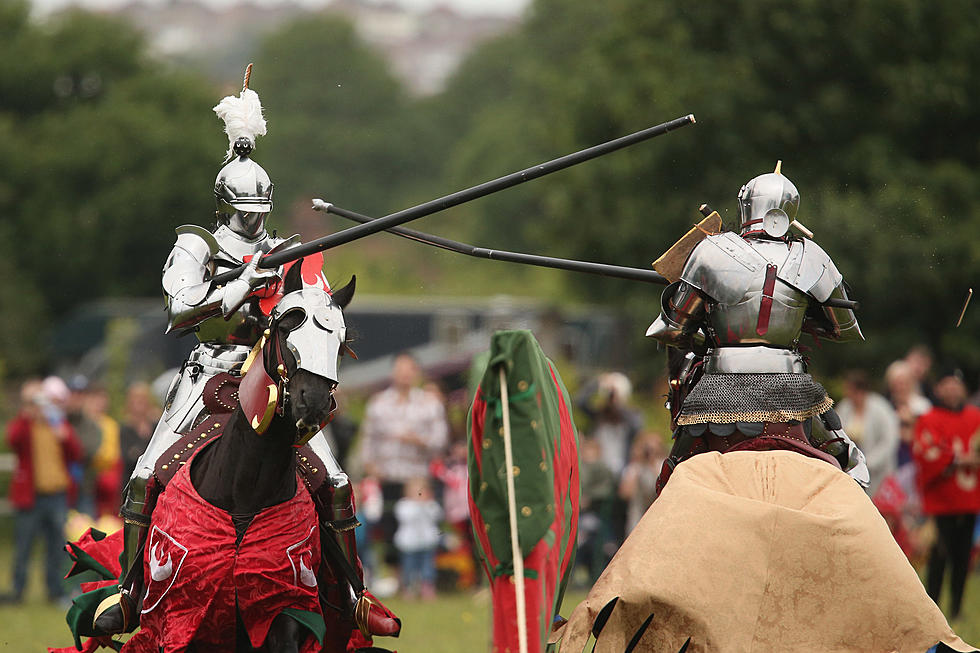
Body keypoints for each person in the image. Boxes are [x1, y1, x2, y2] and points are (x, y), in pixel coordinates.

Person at [99, 79, 396, 639]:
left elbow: (316, 310)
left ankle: (354, 594)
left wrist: (301, 287)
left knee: (332, 478)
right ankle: (129, 592)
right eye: (245, 211)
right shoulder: (197, 246)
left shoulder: (287, 251)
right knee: (147, 473)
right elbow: (180, 310)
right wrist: (236, 289)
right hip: (211, 368)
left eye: (262, 210)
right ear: (224, 205)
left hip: (270, 372)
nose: (255, 222)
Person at [646, 163, 868, 493]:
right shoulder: (813, 257)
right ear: (790, 212)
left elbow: (672, 330)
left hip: (719, 385)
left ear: (746, 205)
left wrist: (709, 317)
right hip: (790, 385)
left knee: (674, 477)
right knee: (849, 463)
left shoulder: (711, 250)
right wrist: (799, 314)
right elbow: (845, 330)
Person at [359, 352, 449, 566]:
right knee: (388, 527)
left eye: (408, 370)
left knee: (420, 527)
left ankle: (423, 575)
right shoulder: (378, 403)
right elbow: (368, 438)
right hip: (387, 475)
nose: (403, 375)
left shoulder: (429, 403)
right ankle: (397, 575)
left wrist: (419, 440)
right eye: (399, 370)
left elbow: (441, 440)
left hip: (416, 479)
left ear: (416, 372)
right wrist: (369, 465)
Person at [1, 379, 82, 604]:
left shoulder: (57, 423)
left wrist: (63, 434)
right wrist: (26, 413)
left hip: (57, 495)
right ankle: (17, 591)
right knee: (24, 545)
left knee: (57, 547)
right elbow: (12, 438)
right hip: (31, 497)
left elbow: (76, 452)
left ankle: (55, 591)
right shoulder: (26, 425)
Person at [912, 368, 980, 622]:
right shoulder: (929, 418)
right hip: (941, 502)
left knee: (963, 558)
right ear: (939, 388)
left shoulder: (975, 417)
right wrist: (956, 458)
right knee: (939, 557)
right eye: (947, 384)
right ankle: (933, 610)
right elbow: (925, 452)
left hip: (969, 499)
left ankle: (957, 610)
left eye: (956, 384)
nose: (952, 389)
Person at [835, 370, 900, 495]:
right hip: (852, 470)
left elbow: (889, 439)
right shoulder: (844, 407)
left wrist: (868, 462)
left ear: (859, 390)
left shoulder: (881, 408)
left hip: (878, 472)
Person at [393, 477, 443, 599]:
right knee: (409, 567)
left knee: (428, 567)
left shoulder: (431, 505)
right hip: (409, 544)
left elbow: (438, 516)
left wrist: (425, 505)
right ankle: (409, 589)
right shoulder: (403, 505)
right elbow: (407, 517)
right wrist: (418, 505)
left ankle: (427, 588)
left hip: (427, 543)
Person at [617, 432, 666, 534]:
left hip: (658, 515)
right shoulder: (635, 467)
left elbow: (665, 487)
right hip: (637, 517)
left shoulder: (663, 465)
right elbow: (625, 494)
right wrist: (637, 466)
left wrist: (652, 464)